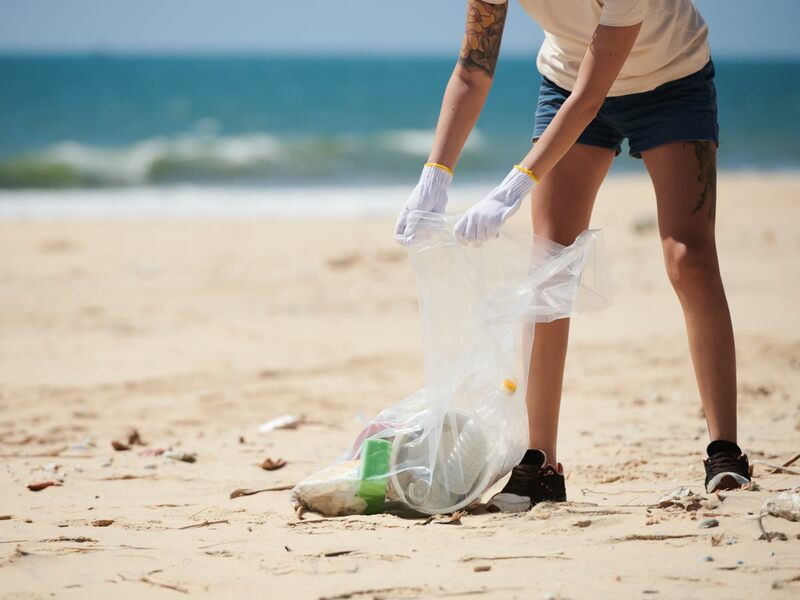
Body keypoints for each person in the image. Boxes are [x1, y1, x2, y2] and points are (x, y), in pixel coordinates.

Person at [394, 0, 751, 513]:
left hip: (672, 82)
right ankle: (539, 464)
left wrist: (514, 185)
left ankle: (726, 452)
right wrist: (436, 174)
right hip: (566, 82)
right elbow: (473, 70)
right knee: (548, 266)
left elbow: (593, 94)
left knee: (688, 258)